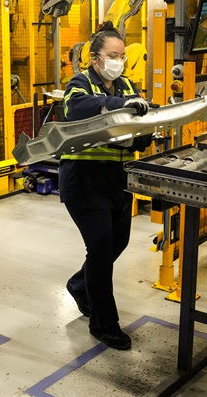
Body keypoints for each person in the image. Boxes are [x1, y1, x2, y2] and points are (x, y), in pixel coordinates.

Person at [59, 23, 152, 351]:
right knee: (100, 251)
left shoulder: (126, 84)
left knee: (117, 243)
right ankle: (103, 324)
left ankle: (80, 285)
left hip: (116, 181)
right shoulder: (80, 84)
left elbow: (136, 126)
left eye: (122, 56)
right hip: (84, 183)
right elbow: (77, 109)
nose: (119, 62)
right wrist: (121, 106)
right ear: (96, 59)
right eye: (113, 56)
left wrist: (145, 130)